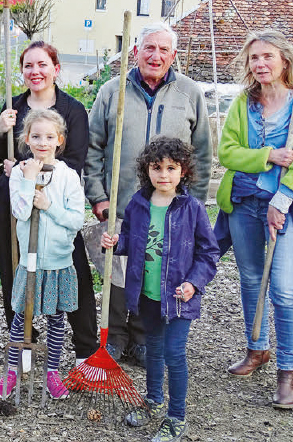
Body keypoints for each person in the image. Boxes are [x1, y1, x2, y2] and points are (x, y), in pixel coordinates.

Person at [84, 21, 212, 367]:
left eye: (164, 50)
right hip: (121, 202)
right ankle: (114, 338)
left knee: (154, 271)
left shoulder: (190, 93)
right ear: (136, 51)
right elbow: (93, 147)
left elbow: (201, 154)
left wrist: (192, 206)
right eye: (149, 48)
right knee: (117, 271)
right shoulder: (112, 91)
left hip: (167, 209)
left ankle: (141, 338)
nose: (155, 56)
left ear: (173, 55)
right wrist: (98, 196)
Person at [214, 30, 293, 409]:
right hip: (244, 201)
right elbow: (227, 151)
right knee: (249, 279)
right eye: (254, 58)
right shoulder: (244, 104)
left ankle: (287, 372)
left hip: (286, 207)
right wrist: (268, 156)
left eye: (267, 57)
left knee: (283, 289)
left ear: (285, 60)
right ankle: (257, 348)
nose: (260, 64)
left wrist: (282, 198)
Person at [0, 41, 97, 368]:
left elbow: (74, 160)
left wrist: (23, 168)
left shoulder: (72, 110)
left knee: (73, 270)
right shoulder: (12, 108)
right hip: (14, 203)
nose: (35, 71)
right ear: (22, 72)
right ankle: (24, 344)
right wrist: (0, 129)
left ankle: (85, 350)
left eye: (42, 65)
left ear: (55, 69)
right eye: (28, 66)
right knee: (15, 270)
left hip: (56, 202)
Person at [101, 137, 218, 442]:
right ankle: (153, 402)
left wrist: (193, 283)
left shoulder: (191, 208)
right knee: (153, 348)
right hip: (147, 294)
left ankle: (176, 418)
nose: (163, 174)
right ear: (146, 170)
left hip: (179, 297)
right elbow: (129, 240)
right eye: (156, 167)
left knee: (173, 353)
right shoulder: (139, 204)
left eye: (171, 167)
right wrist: (116, 243)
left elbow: (209, 253)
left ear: (184, 172)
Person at [0, 110, 84, 400]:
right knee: (21, 317)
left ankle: (53, 373)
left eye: (49, 136)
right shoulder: (20, 173)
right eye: (35, 136)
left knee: (57, 319)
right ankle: (11, 372)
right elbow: (19, 212)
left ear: (59, 140)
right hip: (29, 264)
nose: (42, 142)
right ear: (26, 140)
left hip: (57, 262)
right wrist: (28, 178)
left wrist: (48, 206)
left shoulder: (68, 177)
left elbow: (76, 220)